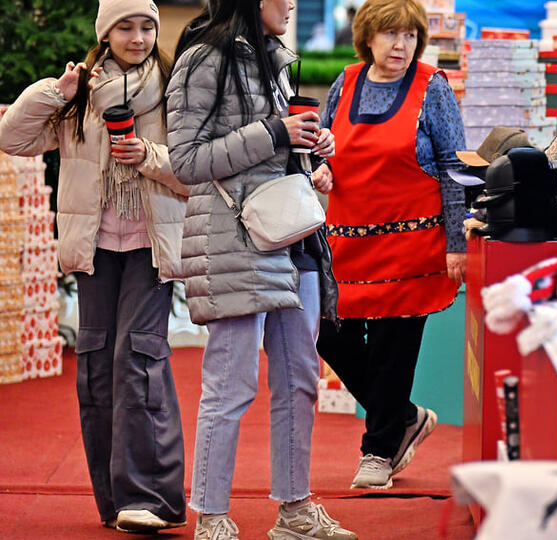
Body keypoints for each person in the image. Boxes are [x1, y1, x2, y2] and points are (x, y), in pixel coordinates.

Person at [165, 0, 354, 538]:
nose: (292, 2)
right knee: (231, 385)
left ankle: (294, 510)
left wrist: (313, 156)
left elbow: (273, 149)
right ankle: (212, 515)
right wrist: (276, 132)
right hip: (234, 242)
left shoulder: (272, 59)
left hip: (293, 238)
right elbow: (187, 162)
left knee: (298, 381)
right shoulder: (204, 58)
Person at [0, 0, 188, 533]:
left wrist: (146, 156)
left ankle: (151, 497)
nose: (138, 37)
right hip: (94, 249)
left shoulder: (175, 87)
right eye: (125, 26)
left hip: (152, 247)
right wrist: (53, 94)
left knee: (138, 359)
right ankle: (115, 502)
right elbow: (12, 138)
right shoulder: (78, 93)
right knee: (97, 369)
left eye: (147, 26)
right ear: (105, 32)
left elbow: (199, 171)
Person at [315, 0, 466, 489]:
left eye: (409, 36)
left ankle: (377, 452)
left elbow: (453, 167)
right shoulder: (346, 82)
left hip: (413, 245)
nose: (400, 45)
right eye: (389, 35)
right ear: (368, 39)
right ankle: (405, 416)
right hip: (347, 243)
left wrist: (457, 240)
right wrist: (320, 167)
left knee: (390, 351)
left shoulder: (433, 88)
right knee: (330, 335)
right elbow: (324, 145)